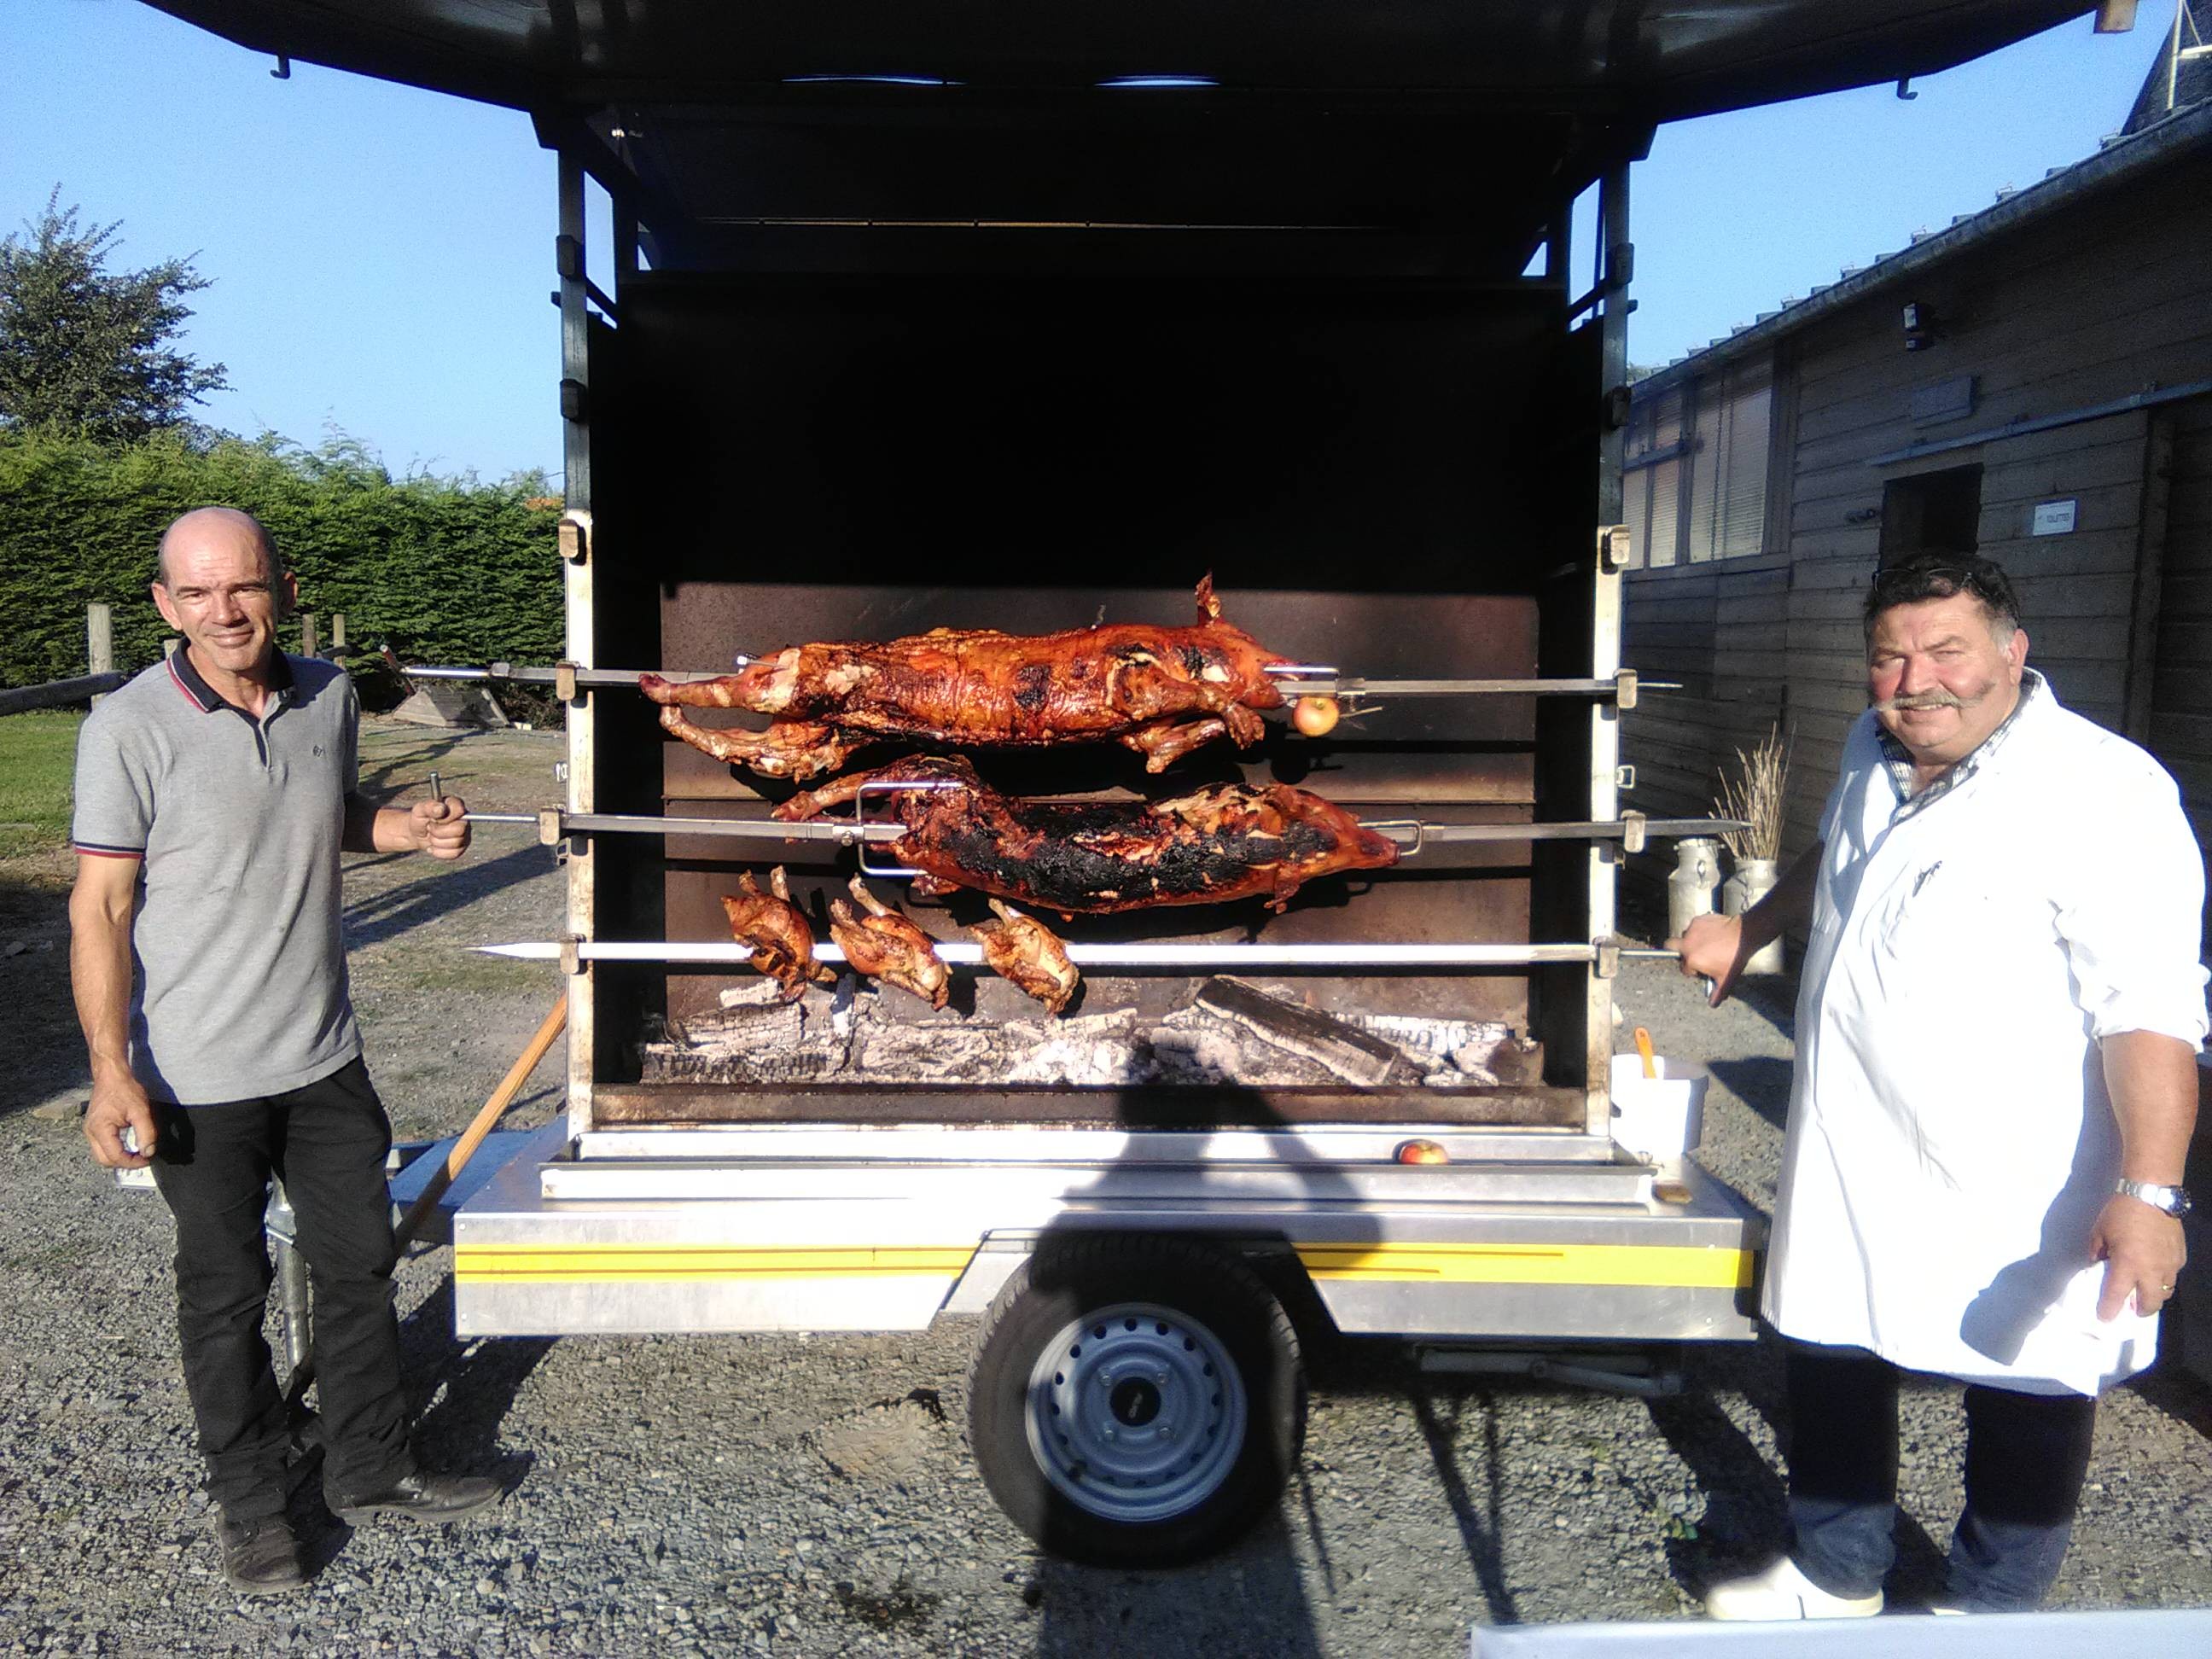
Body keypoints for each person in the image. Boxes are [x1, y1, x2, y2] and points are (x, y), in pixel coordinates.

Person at [1674, 550, 2204, 1620]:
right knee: (1829, 1332)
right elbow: (1838, 854)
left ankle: (1991, 1605)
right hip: (1849, 1132)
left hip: (2019, 1160)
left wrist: (2150, 1197)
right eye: (1890, 656)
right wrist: (1751, 930)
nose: (1919, 680)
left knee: (2030, 1373)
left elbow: (2149, 1009)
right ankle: (1835, 1573)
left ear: (2013, 652)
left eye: (1948, 650)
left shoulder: (2105, 789)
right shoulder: (1875, 748)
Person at [69, 507, 505, 1597]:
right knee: (224, 1296)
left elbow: (326, 811)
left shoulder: (328, 694)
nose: (226, 613)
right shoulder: (127, 727)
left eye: (245, 588)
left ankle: (369, 1465)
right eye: (199, 594)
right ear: (166, 606)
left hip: (321, 1054)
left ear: (285, 588)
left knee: (360, 1267)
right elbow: (101, 906)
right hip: (195, 1077)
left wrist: (409, 831)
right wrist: (112, 1071)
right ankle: (254, 1505)